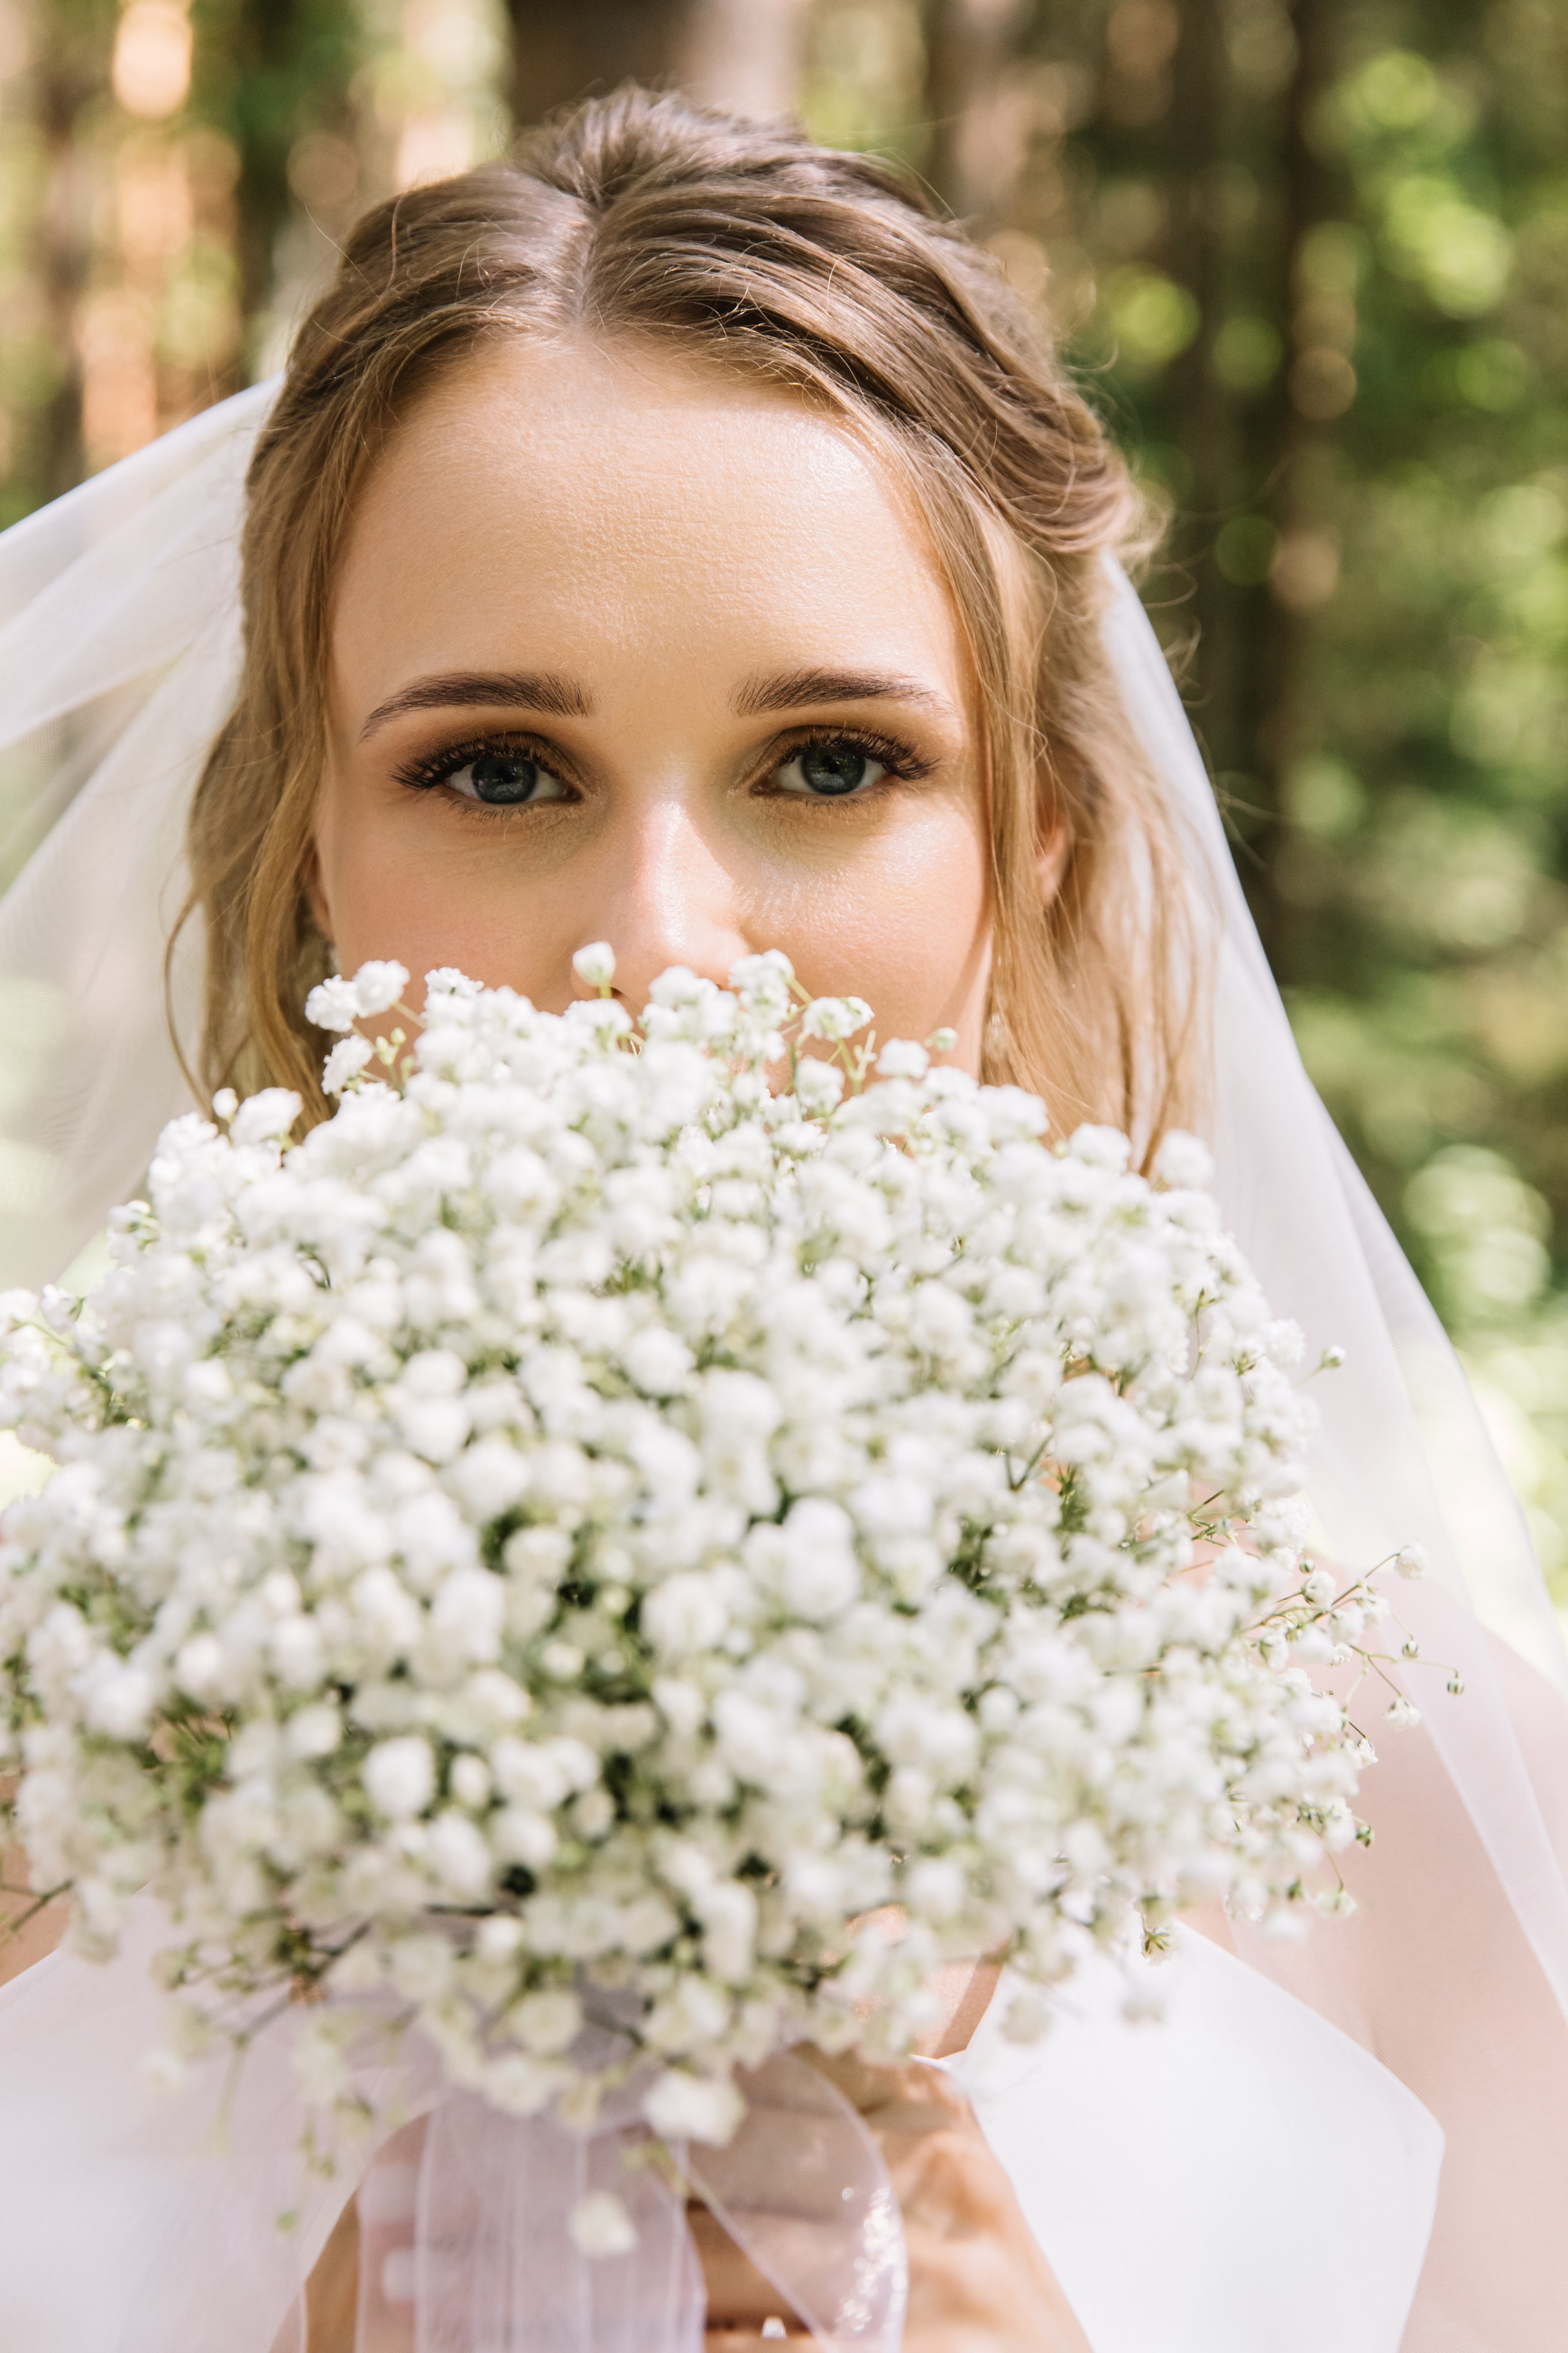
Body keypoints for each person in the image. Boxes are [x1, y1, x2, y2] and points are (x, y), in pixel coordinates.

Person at [0, 87, 1564, 2353]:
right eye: (496, 768)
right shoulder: (52, 1753)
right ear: (311, 842)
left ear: (1029, 836)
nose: (663, 942)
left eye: (832, 763)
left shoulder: (1430, 1825)